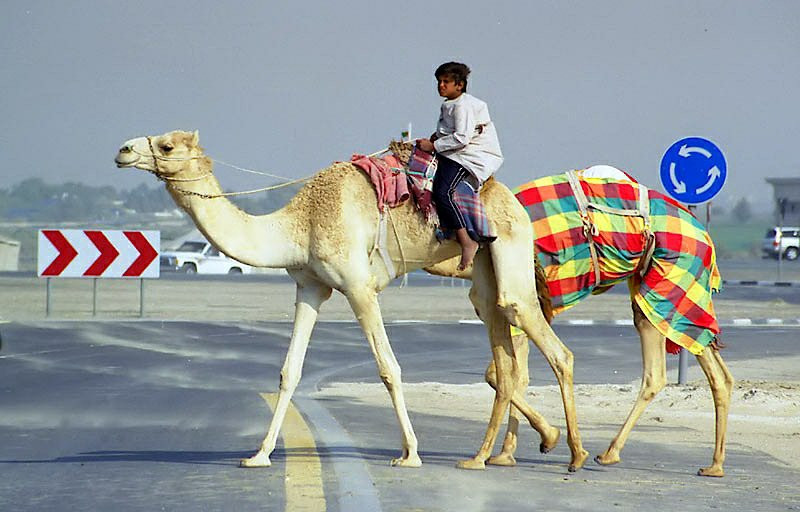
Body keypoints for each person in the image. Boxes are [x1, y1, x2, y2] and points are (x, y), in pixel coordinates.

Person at [417, 62, 503, 270]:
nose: (441, 85)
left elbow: (462, 138)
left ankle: (467, 240)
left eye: (446, 82)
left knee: (443, 191)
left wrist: (434, 145)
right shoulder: (450, 104)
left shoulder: (463, 105)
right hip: (455, 152)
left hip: (468, 155)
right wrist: (436, 137)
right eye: (439, 81)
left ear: (460, 85)